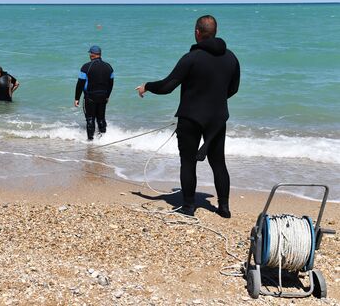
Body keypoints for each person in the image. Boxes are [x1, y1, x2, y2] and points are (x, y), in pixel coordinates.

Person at [135, 15, 240, 218]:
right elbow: (233, 89)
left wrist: (147, 86)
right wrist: (215, 101)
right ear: (215, 32)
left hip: (191, 118)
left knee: (188, 162)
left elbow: (167, 86)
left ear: (197, 32)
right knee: (218, 162)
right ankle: (224, 207)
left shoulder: (191, 58)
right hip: (217, 119)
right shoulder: (231, 58)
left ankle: (189, 206)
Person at [74, 45, 114, 141]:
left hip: (90, 97)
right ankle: (103, 139)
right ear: (99, 54)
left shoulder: (86, 67)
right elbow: (111, 83)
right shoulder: (109, 67)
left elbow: (80, 83)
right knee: (101, 118)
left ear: (92, 54)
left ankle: (90, 141)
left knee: (90, 119)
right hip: (103, 96)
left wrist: (77, 98)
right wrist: (107, 96)